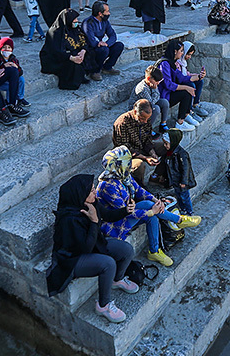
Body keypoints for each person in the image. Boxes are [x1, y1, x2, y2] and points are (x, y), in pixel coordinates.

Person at [46, 173, 137, 324]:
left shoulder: (90, 204)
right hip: (72, 259)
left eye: (94, 188)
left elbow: (107, 214)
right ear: (80, 194)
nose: (95, 191)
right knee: (108, 263)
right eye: (91, 190)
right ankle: (103, 306)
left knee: (126, 249)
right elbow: (85, 248)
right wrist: (94, 222)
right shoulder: (69, 219)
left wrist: (126, 210)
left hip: (93, 244)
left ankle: (117, 279)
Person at [96, 146, 200, 268]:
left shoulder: (123, 175)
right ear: (119, 165)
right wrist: (151, 211)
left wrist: (156, 200)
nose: (130, 164)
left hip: (128, 212)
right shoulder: (107, 186)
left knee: (152, 214)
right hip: (115, 223)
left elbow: (139, 190)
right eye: (127, 162)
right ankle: (179, 220)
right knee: (149, 209)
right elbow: (126, 212)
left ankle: (154, 252)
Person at [112, 99, 167, 184]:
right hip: (126, 155)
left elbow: (148, 138)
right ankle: (138, 188)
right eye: (142, 118)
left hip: (141, 147)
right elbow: (125, 148)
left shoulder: (146, 118)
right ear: (134, 112)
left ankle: (157, 176)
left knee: (166, 147)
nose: (145, 121)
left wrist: (152, 153)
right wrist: (145, 158)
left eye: (147, 119)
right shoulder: (122, 123)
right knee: (139, 165)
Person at [39, 8, 87, 90]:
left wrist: (83, 51)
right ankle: (69, 84)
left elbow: (83, 41)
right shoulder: (55, 32)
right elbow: (55, 51)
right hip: (54, 58)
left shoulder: (75, 29)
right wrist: (71, 58)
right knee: (72, 64)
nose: (76, 21)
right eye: (74, 19)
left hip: (67, 53)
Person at [154, 129, 197, 215]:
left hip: (180, 181)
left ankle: (189, 211)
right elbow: (166, 165)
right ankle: (182, 209)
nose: (165, 145)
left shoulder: (181, 154)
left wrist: (184, 181)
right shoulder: (169, 153)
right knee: (178, 196)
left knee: (184, 197)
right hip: (175, 180)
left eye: (166, 143)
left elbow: (186, 169)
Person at [157, 41, 197, 133]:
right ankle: (180, 122)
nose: (182, 53)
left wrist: (198, 77)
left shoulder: (172, 63)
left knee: (190, 87)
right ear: (175, 51)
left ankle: (186, 116)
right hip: (164, 97)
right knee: (186, 92)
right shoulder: (164, 64)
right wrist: (186, 88)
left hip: (169, 94)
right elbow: (168, 84)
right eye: (181, 51)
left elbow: (181, 77)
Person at [80, 1, 123, 81]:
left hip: (102, 46)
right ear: (100, 13)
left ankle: (107, 67)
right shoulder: (88, 23)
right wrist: (100, 44)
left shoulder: (105, 22)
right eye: (107, 11)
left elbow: (113, 35)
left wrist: (107, 44)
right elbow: (91, 40)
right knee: (104, 50)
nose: (109, 13)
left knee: (119, 45)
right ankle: (95, 71)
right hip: (91, 49)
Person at [131, 65, 170, 135]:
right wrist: (154, 90)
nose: (158, 83)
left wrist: (155, 91)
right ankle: (146, 129)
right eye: (157, 81)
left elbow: (158, 96)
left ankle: (163, 124)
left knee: (164, 102)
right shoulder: (142, 89)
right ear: (149, 78)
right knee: (156, 109)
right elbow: (150, 103)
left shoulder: (152, 84)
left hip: (149, 103)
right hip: (139, 109)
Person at [0, 36, 30, 111]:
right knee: (10, 86)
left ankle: (20, 98)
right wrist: (3, 66)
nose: (7, 49)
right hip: (1, 81)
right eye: (4, 47)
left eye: (9, 47)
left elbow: (20, 72)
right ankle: (10, 103)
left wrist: (16, 68)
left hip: (10, 79)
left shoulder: (13, 59)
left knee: (21, 79)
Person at [179, 42, 209, 120]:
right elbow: (180, 78)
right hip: (178, 84)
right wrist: (193, 78)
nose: (189, 57)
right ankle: (188, 111)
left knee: (200, 81)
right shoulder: (177, 63)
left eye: (190, 55)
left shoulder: (183, 62)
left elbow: (187, 74)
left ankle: (195, 105)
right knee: (191, 85)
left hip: (184, 80)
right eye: (188, 54)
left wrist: (198, 76)